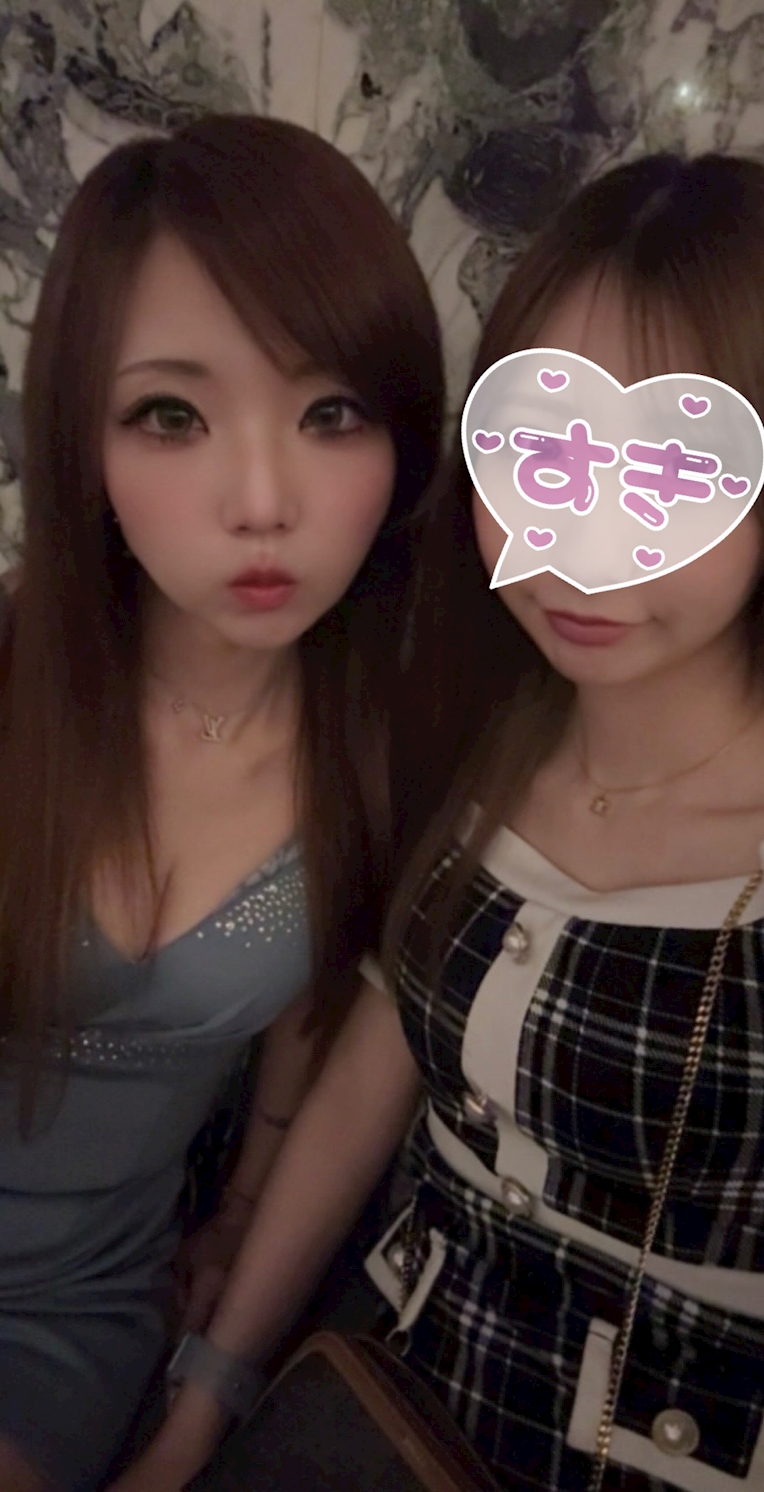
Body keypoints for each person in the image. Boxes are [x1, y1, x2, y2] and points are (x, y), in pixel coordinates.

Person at [110, 153, 764, 1492]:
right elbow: (368, 1075)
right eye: (544, 455)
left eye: (672, 472)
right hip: (374, 1415)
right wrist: (206, 1407)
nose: (585, 543)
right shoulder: (480, 751)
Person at [0, 113, 443, 1492]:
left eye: (331, 414)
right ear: (82, 438)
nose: (263, 501)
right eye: (173, 416)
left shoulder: (388, 750)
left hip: (79, 1310)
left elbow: (324, 1032)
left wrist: (238, 1226)